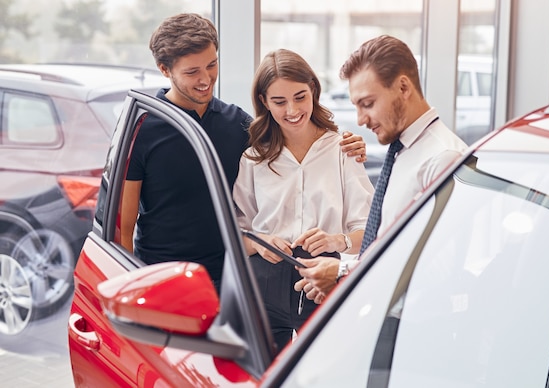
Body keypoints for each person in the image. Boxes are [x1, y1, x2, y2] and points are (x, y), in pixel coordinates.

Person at [119, 13, 367, 293]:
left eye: (212, 65)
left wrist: (347, 144)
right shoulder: (142, 128)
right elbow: (122, 229)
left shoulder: (238, 125)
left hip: (232, 279)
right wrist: (131, 288)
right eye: (192, 72)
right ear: (165, 70)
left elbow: (288, 145)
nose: (205, 79)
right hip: (162, 278)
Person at [295, 35, 468, 303]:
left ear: (403, 87)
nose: (360, 120)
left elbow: (435, 267)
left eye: (367, 104)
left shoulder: (443, 158)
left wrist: (343, 273)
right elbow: (389, 244)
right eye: (356, 107)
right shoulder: (402, 151)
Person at [232, 49, 374, 352]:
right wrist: (258, 242)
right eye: (279, 101)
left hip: (321, 282)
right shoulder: (253, 159)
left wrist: (336, 241)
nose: (292, 110)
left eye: (300, 97)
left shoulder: (343, 151)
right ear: (263, 102)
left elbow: (370, 233)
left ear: (314, 91)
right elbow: (236, 233)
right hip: (261, 287)